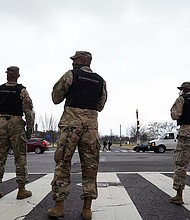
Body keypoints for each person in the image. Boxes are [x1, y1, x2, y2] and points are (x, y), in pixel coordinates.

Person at [47, 51, 107, 219]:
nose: (73, 63)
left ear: (81, 60)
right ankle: (87, 209)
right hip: (91, 129)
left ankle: (59, 206)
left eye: (75, 60)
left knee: (63, 163)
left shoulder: (70, 75)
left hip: (70, 126)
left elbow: (56, 97)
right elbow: (100, 105)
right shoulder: (100, 80)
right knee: (90, 167)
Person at [0, 66, 34, 199]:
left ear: (7, 75)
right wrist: (29, 131)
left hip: (0, 122)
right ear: (18, 76)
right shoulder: (22, 91)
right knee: (20, 156)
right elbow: (29, 112)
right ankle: (21, 189)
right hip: (16, 123)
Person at [170, 82, 190, 205]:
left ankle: (179, 195)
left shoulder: (182, 99)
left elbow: (175, 115)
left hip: (186, 135)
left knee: (181, 165)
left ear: (184, 89)